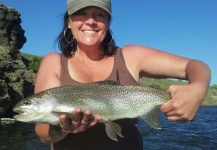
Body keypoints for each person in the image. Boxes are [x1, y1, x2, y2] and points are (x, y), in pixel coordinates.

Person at [34, 0, 211, 149]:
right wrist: (64, 129)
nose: (91, 21)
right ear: (68, 21)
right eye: (81, 13)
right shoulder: (53, 61)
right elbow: (42, 133)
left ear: (108, 22)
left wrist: (197, 89)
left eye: (99, 14)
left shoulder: (132, 56)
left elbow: (195, 65)